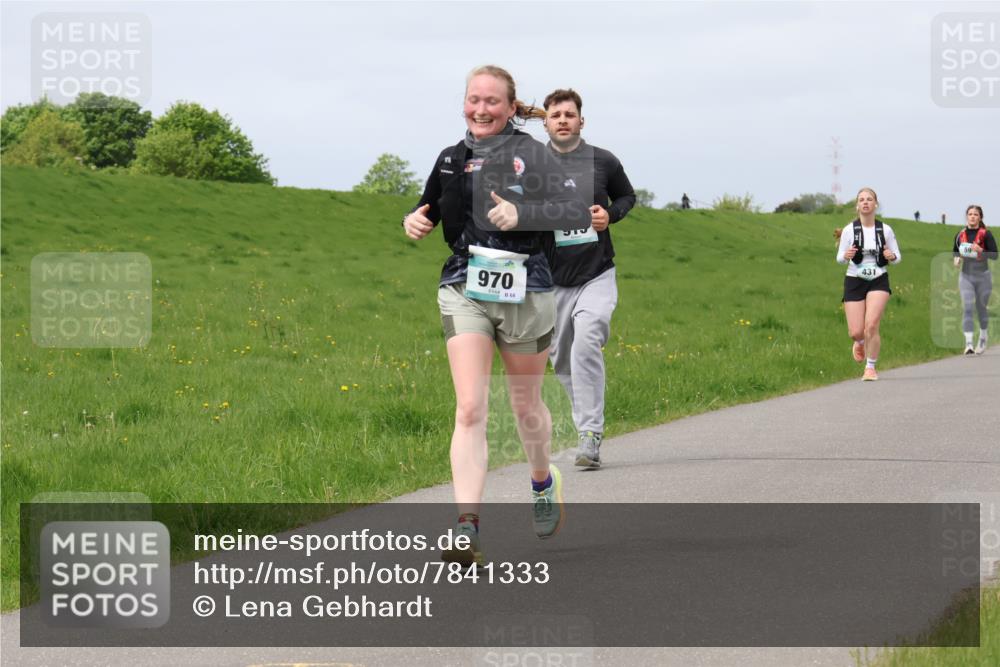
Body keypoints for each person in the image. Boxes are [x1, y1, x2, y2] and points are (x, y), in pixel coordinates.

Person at [402, 65, 589, 565]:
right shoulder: (450, 159)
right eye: (472, 100)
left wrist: (524, 215)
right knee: (469, 408)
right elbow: (429, 209)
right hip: (464, 284)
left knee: (525, 407)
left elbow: (577, 213)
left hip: (527, 288)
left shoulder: (535, 154)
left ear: (510, 107)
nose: (480, 110)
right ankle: (467, 528)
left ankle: (542, 479)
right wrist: (414, 220)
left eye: (491, 102)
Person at [540, 88, 636, 468]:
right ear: (545, 122)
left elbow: (627, 197)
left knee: (587, 338)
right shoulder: (530, 164)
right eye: (555, 115)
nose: (563, 120)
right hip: (550, 279)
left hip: (596, 272)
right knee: (561, 358)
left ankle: (590, 434)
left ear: (581, 120)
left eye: (569, 114)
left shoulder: (603, 161)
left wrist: (610, 216)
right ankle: (586, 425)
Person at [835, 187, 902, 381]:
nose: (865, 202)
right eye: (862, 199)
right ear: (857, 205)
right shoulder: (849, 230)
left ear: (875, 204)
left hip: (878, 278)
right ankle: (860, 342)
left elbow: (897, 257)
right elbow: (839, 258)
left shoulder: (885, 230)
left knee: (871, 325)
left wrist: (892, 255)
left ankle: (870, 367)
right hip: (854, 279)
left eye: (869, 199)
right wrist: (845, 256)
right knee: (856, 331)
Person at [952, 205, 996, 354]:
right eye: (970, 214)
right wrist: (956, 260)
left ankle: (983, 336)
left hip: (983, 276)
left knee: (981, 308)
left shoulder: (986, 234)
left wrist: (981, 251)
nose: (972, 217)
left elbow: (995, 255)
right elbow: (955, 252)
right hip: (966, 276)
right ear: (966, 216)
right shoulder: (960, 234)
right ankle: (969, 343)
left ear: (980, 217)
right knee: (968, 307)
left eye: (975, 214)